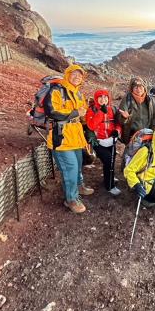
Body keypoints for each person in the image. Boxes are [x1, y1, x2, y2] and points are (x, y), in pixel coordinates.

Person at [45, 64, 92, 213]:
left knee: (78, 165)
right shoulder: (57, 90)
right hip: (62, 137)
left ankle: (79, 186)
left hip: (76, 136)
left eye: (80, 75)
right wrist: (75, 112)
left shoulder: (78, 94)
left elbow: (82, 114)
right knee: (70, 168)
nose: (77, 77)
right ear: (67, 74)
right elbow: (52, 111)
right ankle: (71, 199)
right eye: (74, 74)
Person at [85, 89, 122, 196]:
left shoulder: (113, 109)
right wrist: (101, 111)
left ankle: (110, 176)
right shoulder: (92, 110)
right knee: (108, 159)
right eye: (100, 97)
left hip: (111, 140)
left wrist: (117, 131)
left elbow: (118, 123)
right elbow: (91, 125)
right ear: (96, 99)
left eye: (105, 97)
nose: (103, 99)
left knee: (112, 159)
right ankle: (109, 186)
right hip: (98, 141)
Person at [118, 77, 155, 145]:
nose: (139, 90)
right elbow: (119, 119)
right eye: (136, 87)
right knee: (133, 154)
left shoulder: (150, 100)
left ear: (144, 88)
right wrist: (124, 117)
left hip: (147, 135)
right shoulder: (127, 99)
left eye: (141, 87)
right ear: (132, 89)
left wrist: (153, 130)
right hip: (131, 136)